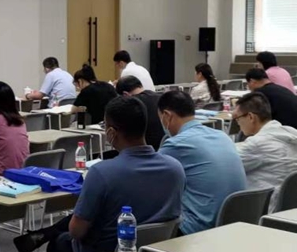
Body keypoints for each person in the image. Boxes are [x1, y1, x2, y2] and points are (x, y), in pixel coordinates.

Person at [13, 97, 184, 252]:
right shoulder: (175, 168)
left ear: (111, 133)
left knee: (61, 242)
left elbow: (76, 231)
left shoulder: (101, 173)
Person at [158, 91, 246, 235]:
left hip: (196, 231)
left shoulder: (176, 144)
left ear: (167, 116)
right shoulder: (222, 136)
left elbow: (150, 182)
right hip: (233, 227)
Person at [233, 92, 297, 212]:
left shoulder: (257, 144)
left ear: (251, 117)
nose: (238, 123)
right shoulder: (290, 132)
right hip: (290, 209)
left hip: (266, 209)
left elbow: (226, 163)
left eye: (237, 118)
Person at [115, 76, 166, 150]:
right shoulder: (162, 97)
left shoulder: (132, 105)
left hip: (144, 150)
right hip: (164, 146)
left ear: (125, 94)